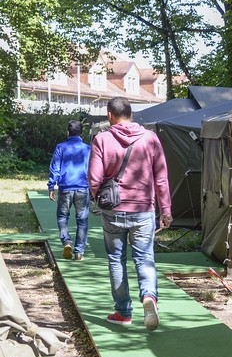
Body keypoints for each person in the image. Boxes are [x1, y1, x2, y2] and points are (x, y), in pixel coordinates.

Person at [88, 97, 172, 331]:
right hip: (144, 209)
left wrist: (99, 199)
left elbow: (94, 178)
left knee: (116, 259)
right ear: (132, 114)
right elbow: (161, 178)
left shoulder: (101, 139)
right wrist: (165, 210)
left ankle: (123, 312)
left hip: (113, 210)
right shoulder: (151, 138)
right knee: (144, 257)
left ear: (109, 115)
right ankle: (149, 298)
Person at [48, 120, 91, 261]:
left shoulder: (61, 147)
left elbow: (55, 167)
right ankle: (79, 252)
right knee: (82, 220)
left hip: (65, 188)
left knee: (62, 217)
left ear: (68, 133)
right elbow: (92, 170)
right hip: (83, 188)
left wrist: (51, 186)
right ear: (81, 134)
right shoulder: (88, 149)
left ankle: (66, 241)